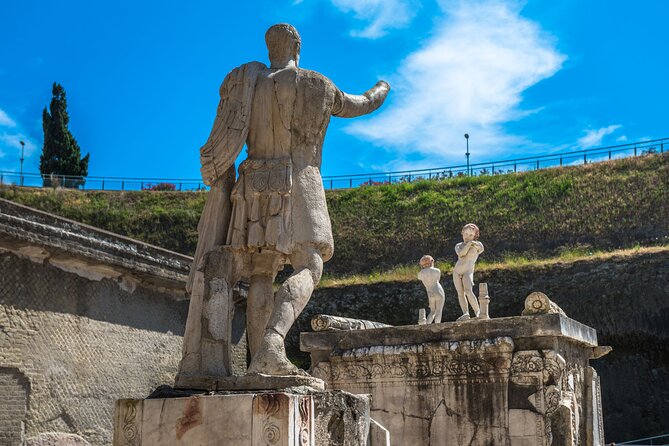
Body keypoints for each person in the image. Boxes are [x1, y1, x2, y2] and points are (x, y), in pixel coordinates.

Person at [181, 23, 390, 378]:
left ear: (269, 48)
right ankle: (273, 344)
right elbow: (362, 103)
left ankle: (259, 364)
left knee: (262, 273)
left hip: (253, 182)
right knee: (309, 264)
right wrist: (383, 87)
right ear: (297, 46)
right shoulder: (316, 84)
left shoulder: (248, 84)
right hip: (299, 180)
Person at [453, 223, 484, 321]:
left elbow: (481, 250)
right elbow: (461, 254)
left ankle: (477, 311)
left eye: (471, 235)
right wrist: (468, 245)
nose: (467, 237)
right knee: (460, 293)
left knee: (468, 291)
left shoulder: (478, 244)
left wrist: (472, 244)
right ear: (462, 233)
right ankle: (465, 313)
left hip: (468, 271)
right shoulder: (459, 245)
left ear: (475, 235)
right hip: (457, 272)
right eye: (465, 234)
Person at [417, 255, 445, 324]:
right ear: (432, 261)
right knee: (439, 310)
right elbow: (438, 278)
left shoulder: (420, 274)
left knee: (432, 311)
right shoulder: (437, 270)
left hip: (429, 292)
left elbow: (419, 278)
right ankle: (437, 325)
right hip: (438, 290)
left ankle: (427, 325)